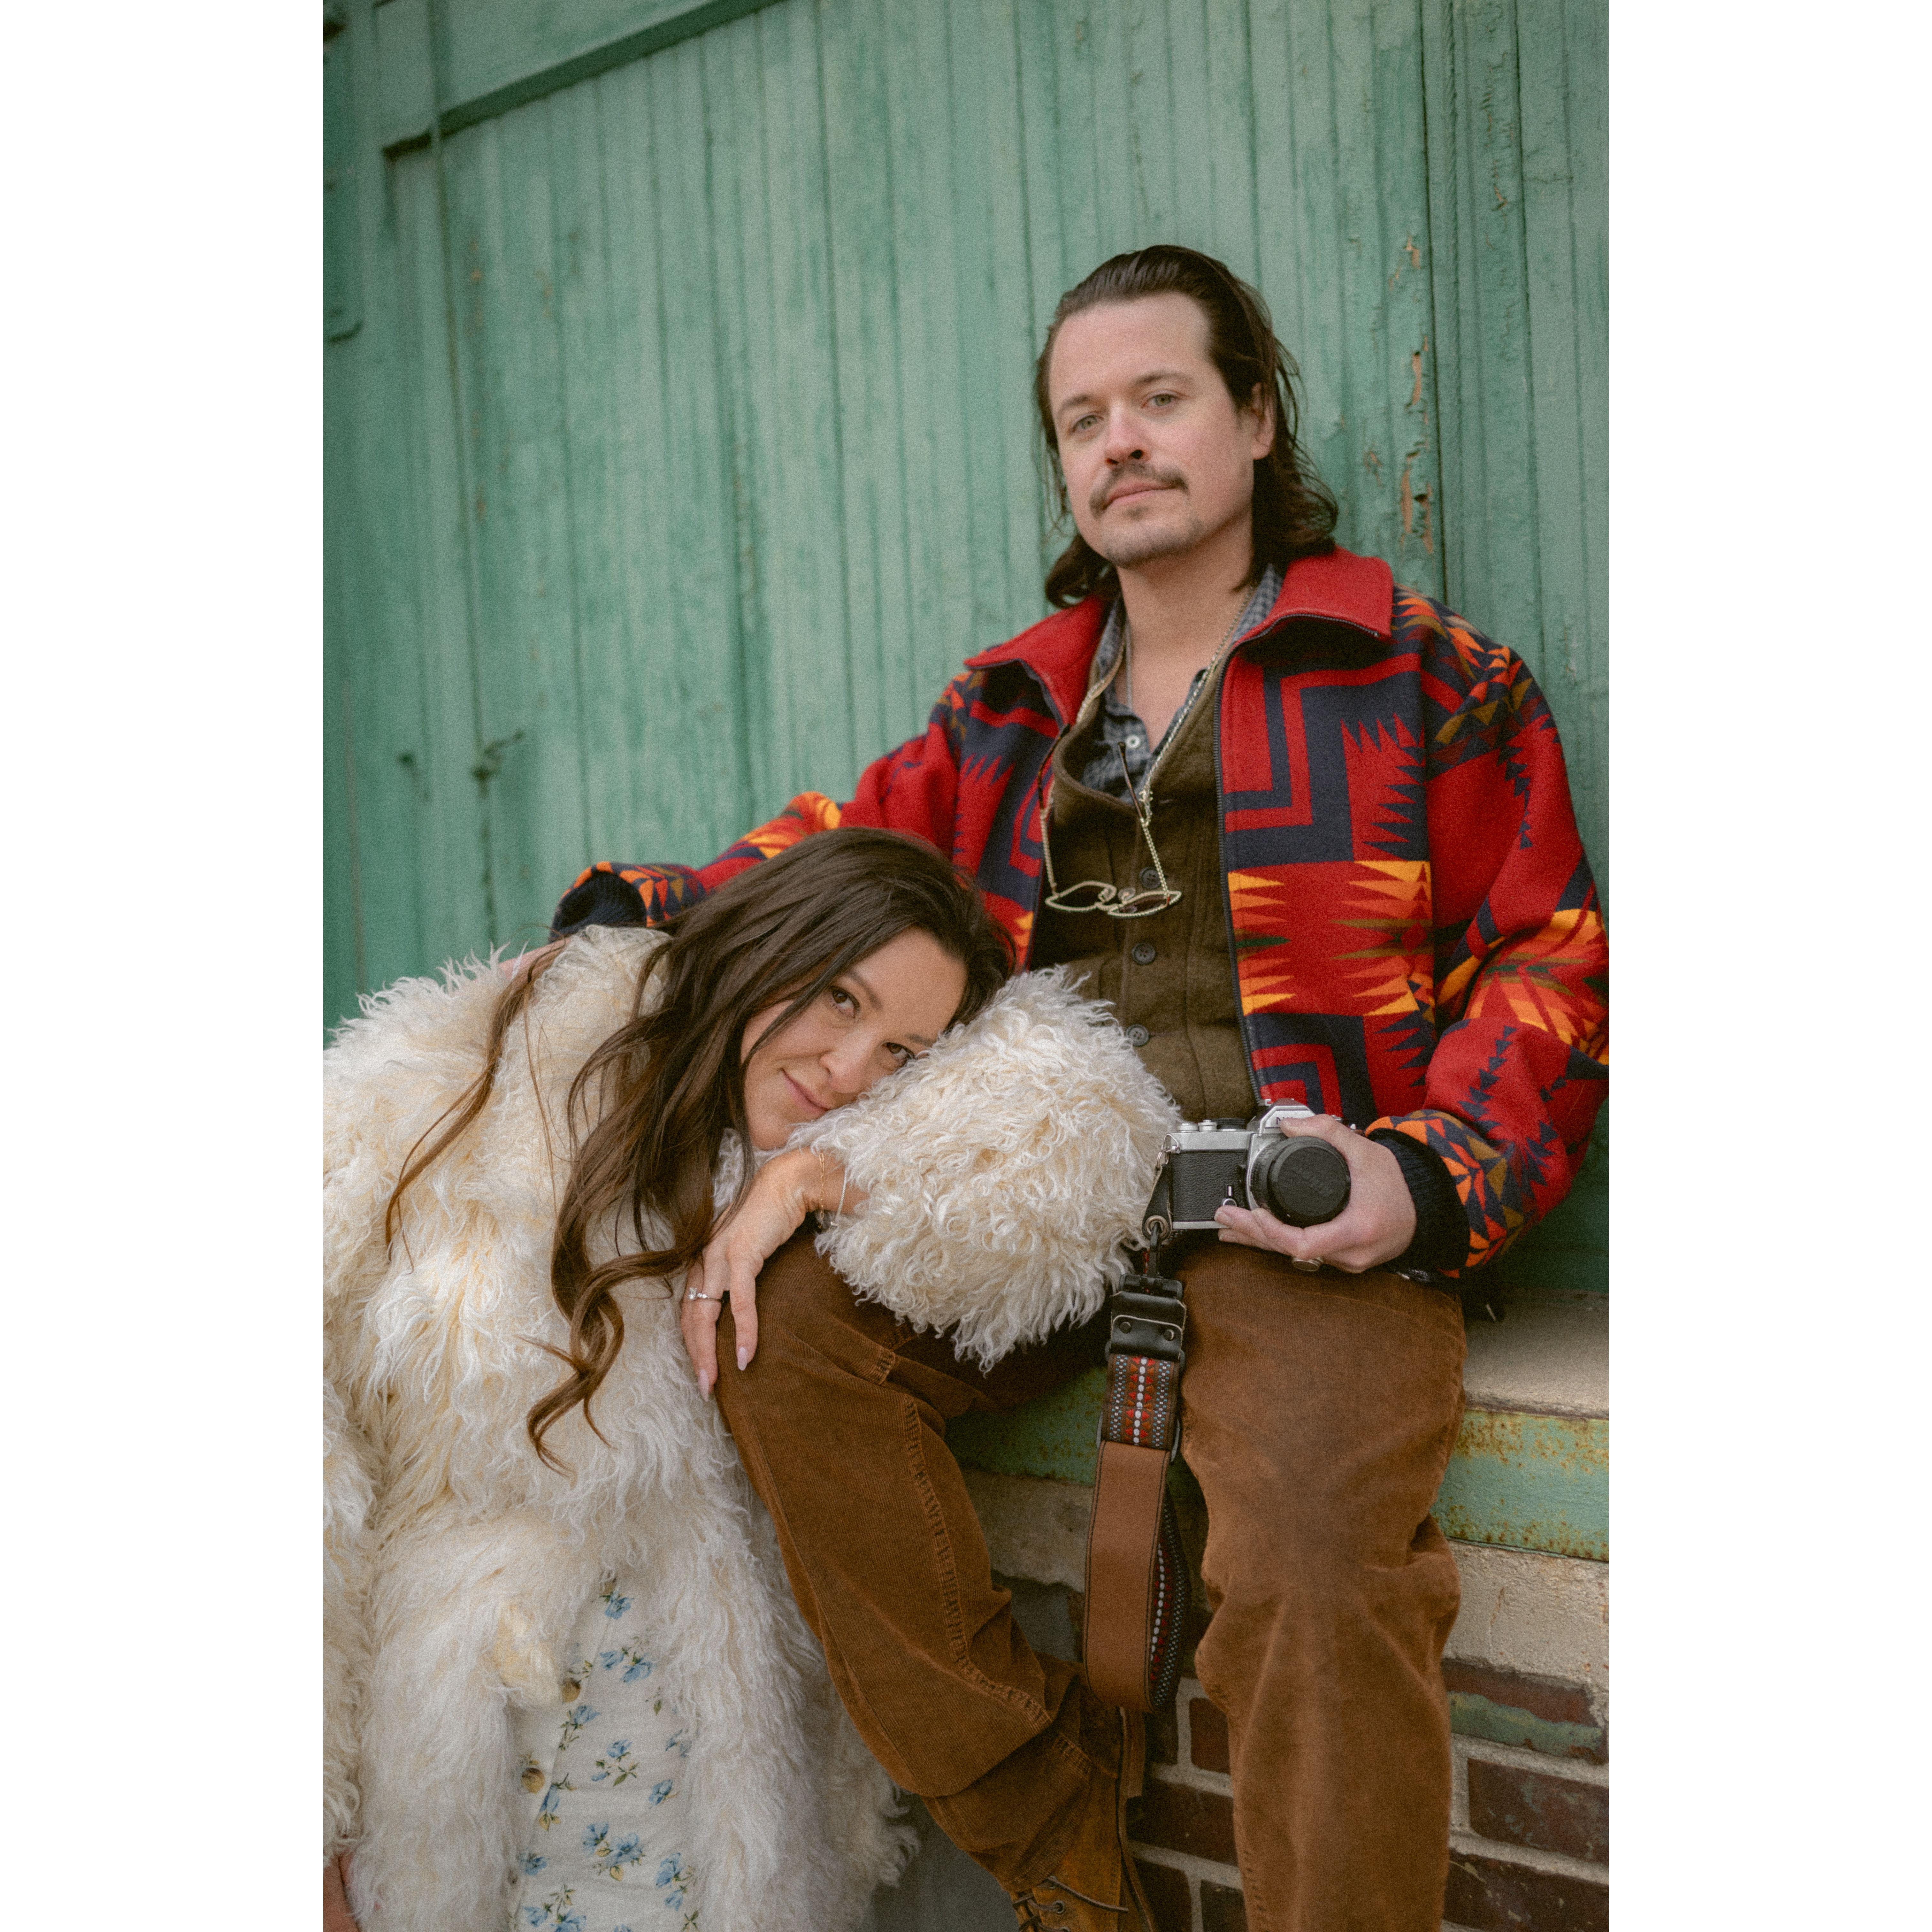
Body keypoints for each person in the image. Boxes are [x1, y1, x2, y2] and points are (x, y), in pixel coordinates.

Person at [550, 245, 1609, 1931]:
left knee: (1318, 1558)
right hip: (1032, 1192)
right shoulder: (1020, 705)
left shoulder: (1419, 677)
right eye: (1082, 418)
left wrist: (1428, 1176)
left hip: (1296, 1211)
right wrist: (641, 913)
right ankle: (1059, 1843)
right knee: (776, 1336)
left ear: (1256, 419)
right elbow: (842, 854)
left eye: (1162, 399)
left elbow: (1545, 952)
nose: (1120, 441)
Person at [329, 828, 1182, 1932]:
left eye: (902, 1052)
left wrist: (816, 1175)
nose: (848, 1070)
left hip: (721, 1803)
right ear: (770, 942)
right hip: (460, 1765)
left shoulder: (853, 1151)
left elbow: (1089, 1153)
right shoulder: (482, 1079)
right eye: (838, 998)